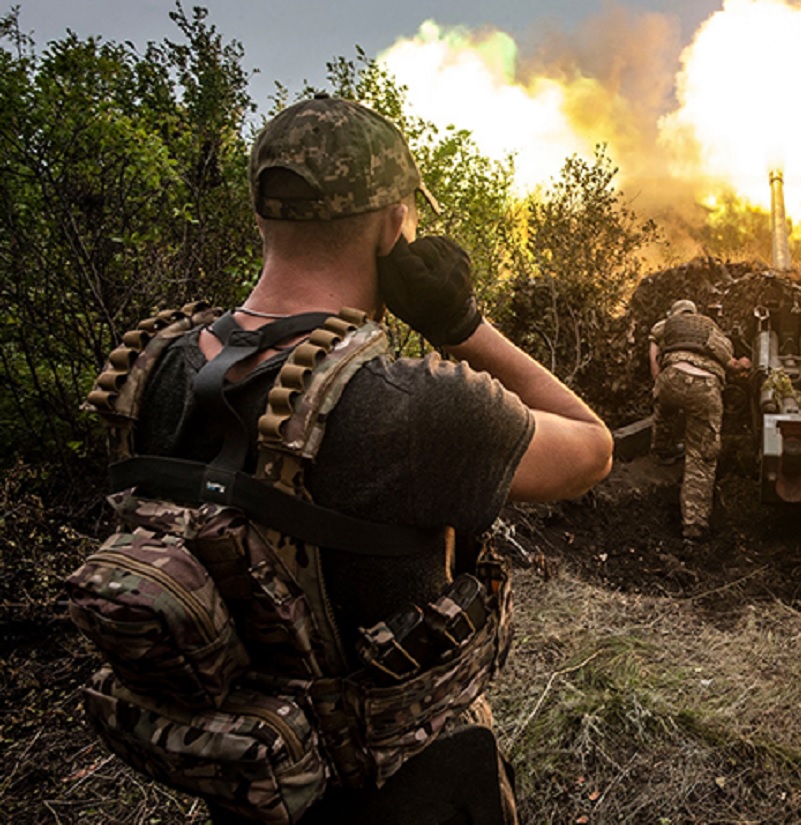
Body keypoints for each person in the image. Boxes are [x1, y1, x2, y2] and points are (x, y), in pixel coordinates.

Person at [130, 95, 613, 823]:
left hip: (254, 783)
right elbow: (592, 446)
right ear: (395, 227)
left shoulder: (157, 371)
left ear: (264, 216)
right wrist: (462, 326)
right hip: (416, 788)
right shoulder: (414, 406)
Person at [648, 299, 749, 540]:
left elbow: (653, 348)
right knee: (701, 456)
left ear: (674, 312)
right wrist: (743, 364)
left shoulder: (667, 324)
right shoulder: (711, 330)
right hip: (705, 387)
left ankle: (662, 451)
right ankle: (694, 523)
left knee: (664, 412)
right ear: (696, 313)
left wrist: (657, 379)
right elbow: (732, 364)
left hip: (671, 377)